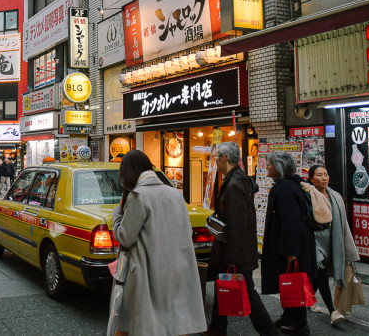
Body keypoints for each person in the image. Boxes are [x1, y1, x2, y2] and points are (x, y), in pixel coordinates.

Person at [109, 150, 207, 335]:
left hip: (148, 271)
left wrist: (117, 213)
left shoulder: (138, 196)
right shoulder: (175, 194)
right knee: (174, 321)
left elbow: (125, 237)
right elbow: (187, 230)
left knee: (147, 323)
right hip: (178, 266)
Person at [205, 142, 279, 336]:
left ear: (223, 158)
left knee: (247, 290)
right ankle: (217, 327)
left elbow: (237, 224)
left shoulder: (234, 184)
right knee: (224, 282)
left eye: (216, 158)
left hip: (236, 250)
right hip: (235, 248)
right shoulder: (237, 180)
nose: (215, 162)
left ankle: (270, 332)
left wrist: (233, 257)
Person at [261, 151, 315, 336]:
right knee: (288, 281)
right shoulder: (290, 185)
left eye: (269, 164)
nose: (266, 167)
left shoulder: (285, 188)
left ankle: (300, 323)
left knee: (293, 281)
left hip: (291, 245)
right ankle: (288, 316)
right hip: (293, 242)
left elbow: (290, 220)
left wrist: (290, 250)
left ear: (278, 167)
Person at [307, 165, 359, 326]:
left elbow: (343, 224)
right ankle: (332, 311)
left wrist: (347, 246)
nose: (324, 178)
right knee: (321, 275)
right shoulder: (308, 196)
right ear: (311, 179)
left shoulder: (336, 196)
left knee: (316, 278)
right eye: (319, 175)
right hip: (314, 242)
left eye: (326, 174)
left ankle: (306, 302)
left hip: (333, 242)